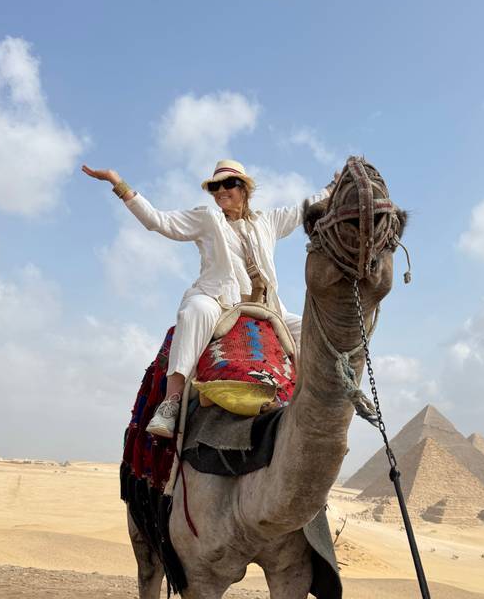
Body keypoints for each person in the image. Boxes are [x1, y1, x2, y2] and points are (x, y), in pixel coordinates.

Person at [82, 159, 337, 436]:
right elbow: (158, 221)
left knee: (312, 329)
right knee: (195, 312)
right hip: (219, 301)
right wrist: (117, 182)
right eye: (215, 186)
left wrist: (334, 187)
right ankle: (171, 402)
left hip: (266, 307)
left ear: (245, 189)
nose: (220, 191)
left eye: (228, 184)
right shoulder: (207, 219)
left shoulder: (267, 221)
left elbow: (303, 209)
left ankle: (309, 403)